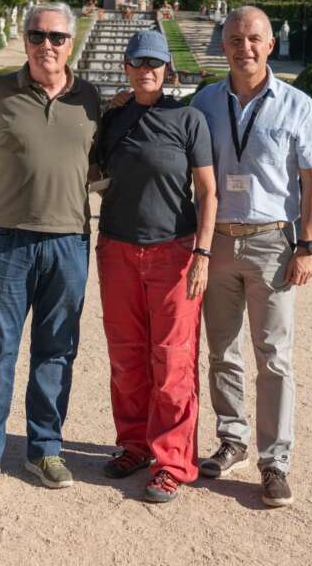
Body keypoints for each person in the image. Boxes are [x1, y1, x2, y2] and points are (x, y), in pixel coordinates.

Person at [190, 6, 312, 508]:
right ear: (222, 45)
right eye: (234, 39)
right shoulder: (205, 102)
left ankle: (276, 461)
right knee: (221, 351)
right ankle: (232, 439)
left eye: (253, 38)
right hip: (218, 242)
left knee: (274, 357)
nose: (243, 47)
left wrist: (307, 245)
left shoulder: (298, 106)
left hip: (274, 242)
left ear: (269, 44)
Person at [0, 1, 101, 493]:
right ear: (25, 39)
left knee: (56, 350)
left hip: (69, 241)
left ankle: (45, 450)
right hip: (7, 238)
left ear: (70, 41)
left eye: (57, 37)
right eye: (38, 36)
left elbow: (100, 166)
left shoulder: (91, 97)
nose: (48, 45)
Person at [95, 30, 217, 504]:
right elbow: (91, 172)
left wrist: (202, 254)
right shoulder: (114, 119)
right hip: (118, 249)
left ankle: (173, 462)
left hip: (174, 251)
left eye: (155, 63)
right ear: (126, 66)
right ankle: (134, 444)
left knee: (172, 361)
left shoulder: (188, 119)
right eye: (138, 62)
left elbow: (206, 192)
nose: (147, 69)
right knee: (126, 356)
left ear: (169, 69)